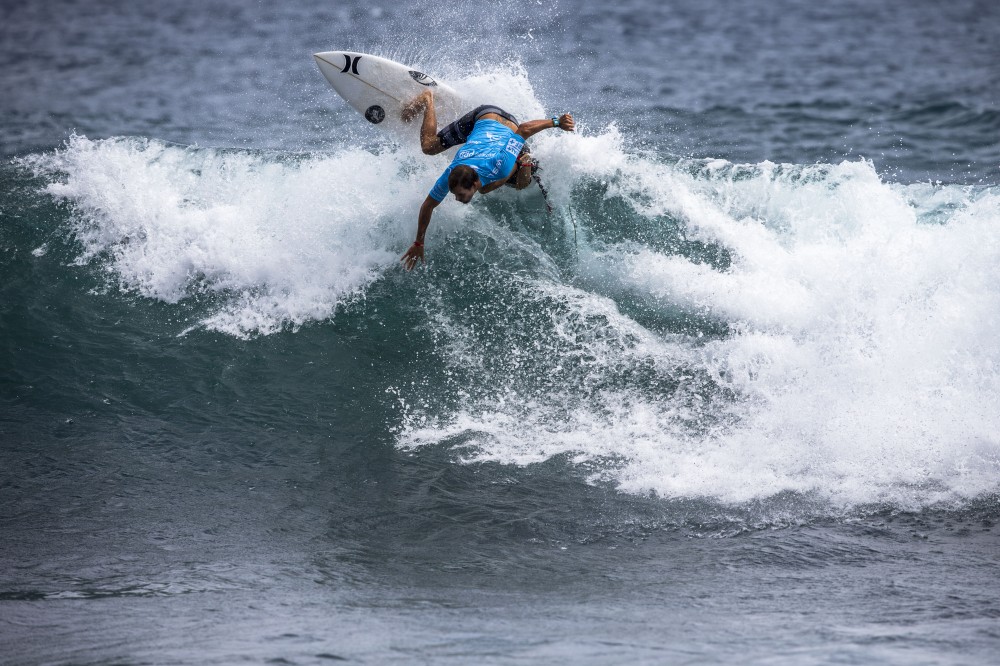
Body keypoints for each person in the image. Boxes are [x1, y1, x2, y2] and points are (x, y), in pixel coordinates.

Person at [399, 89, 575, 270]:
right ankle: (429, 99)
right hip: (488, 123)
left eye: (460, 194)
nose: (457, 198)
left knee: (520, 183)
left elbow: (524, 129)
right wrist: (419, 243)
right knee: (432, 149)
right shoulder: (451, 175)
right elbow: (428, 205)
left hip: (496, 121)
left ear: (474, 182)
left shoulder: (498, 166)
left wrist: (557, 122)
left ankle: (523, 161)